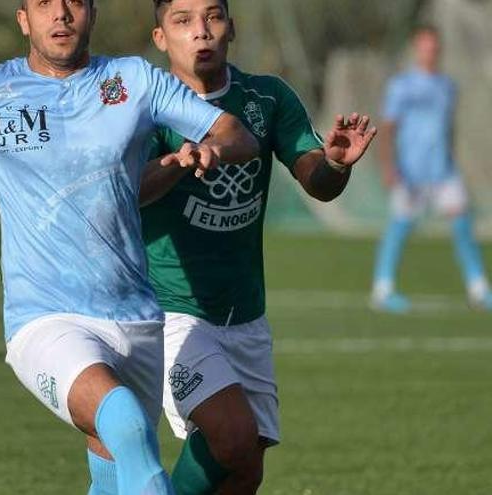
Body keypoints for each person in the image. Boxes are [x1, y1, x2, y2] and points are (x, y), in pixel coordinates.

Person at [0, 1, 259, 493]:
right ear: (24, 19)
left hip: (135, 316)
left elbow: (234, 133)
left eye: (74, 2)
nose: (61, 14)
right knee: (126, 423)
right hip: (44, 318)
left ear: (91, 13)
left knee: (117, 471)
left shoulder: (134, 81)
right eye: (46, 3)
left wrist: (212, 148)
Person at [140, 1, 377, 493]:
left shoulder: (266, 98)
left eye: (212, 17)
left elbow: (317, 179)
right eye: (182, 21)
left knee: (246, 466)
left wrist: (335, 163)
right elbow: (127, 192)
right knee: (232, 436)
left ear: (232, 28)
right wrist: (176, 163)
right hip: (171, 310)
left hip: (246, 312)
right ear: (161, 38)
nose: (200, 32)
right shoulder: (144, 110)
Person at [372, 25, 492, 313]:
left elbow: (447, 129)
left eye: (434, 47)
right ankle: (383, 288)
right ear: (417, 48)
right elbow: (388, 128)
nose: (430, 52)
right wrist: (389, 166)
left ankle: (478, 289)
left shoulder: (447, 87)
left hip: (443, 171)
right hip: (411, 172)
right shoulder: (402, 86)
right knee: (401, 225)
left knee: (463, 224)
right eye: (425, 46)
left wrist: (453, 162)